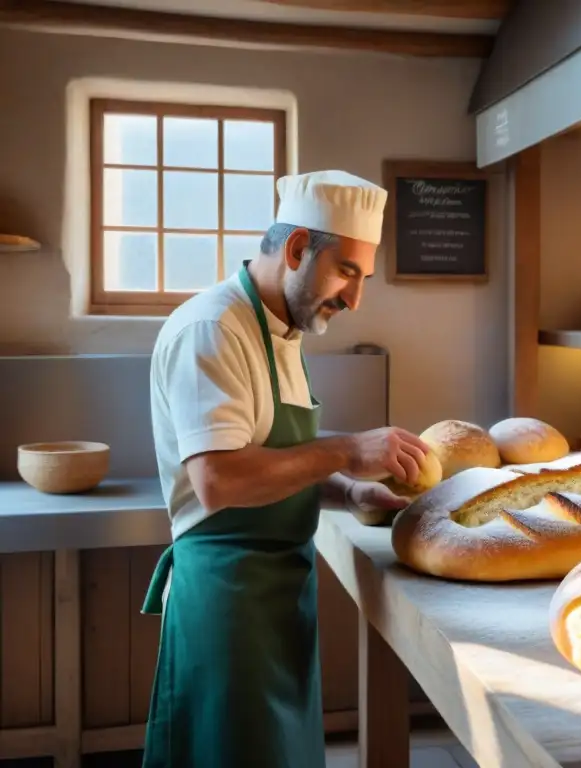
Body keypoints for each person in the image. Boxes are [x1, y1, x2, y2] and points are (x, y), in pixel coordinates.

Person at [142, 170, 431, 768]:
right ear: (298, 247)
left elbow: (272, 455)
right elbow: (220, 480)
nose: (356, 299)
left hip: (278, 601)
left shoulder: (284, 331)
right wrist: (348, 451)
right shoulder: (214, 329)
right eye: (347, 272)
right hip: (226, 605)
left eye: (363, 278)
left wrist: (350, 490)